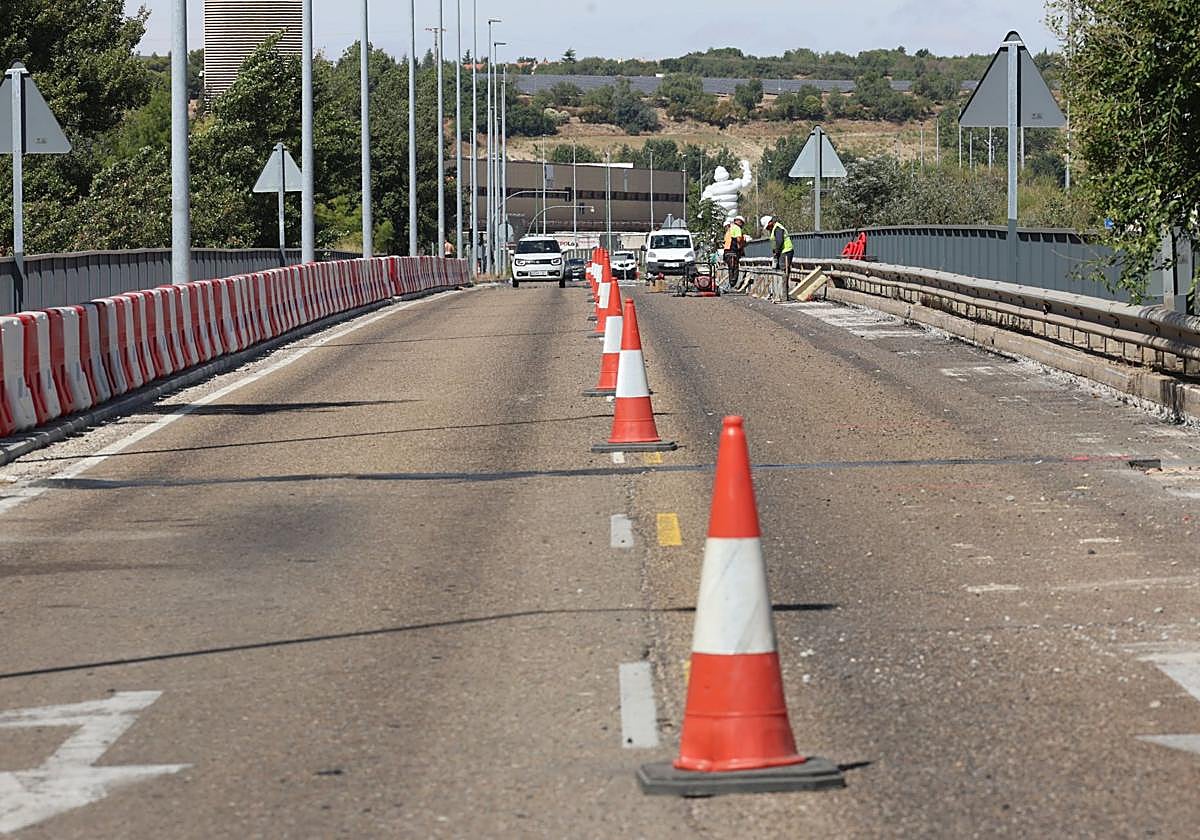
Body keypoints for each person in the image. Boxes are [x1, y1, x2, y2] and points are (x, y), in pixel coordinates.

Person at [761, 215, 794, 283]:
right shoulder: (774, 229)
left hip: (786, 251)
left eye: (767, 226)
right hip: (782, 252)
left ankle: (784, 289)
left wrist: (776, 252)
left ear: (770, 222)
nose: (767, 228)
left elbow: (780, 241)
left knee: (783, 270)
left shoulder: (778, 228)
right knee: (778, 270)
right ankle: (779, 289)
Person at [722, 215, 746, 288]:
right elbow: (738, 239)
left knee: (730, 268)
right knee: (734, 269)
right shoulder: (737, 228)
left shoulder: (729, 229)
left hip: (727, 252)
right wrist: (741, 247)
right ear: (739, 221)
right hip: (733, 251)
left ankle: (730, 284)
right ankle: (732, 284)